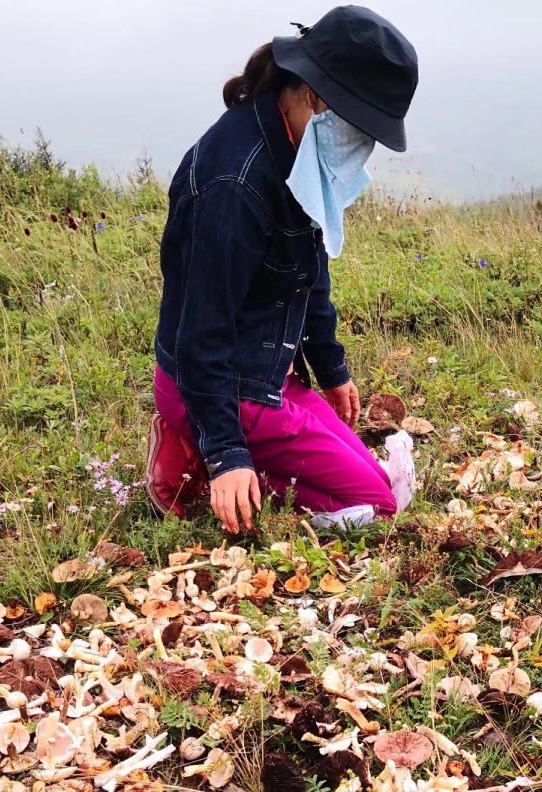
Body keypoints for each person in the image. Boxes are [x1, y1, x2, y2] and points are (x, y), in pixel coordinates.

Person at [147, 5, 420, 535]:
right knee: (376, 506)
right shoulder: (235, 185)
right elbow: (202, 333)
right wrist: (228, 456)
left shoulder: (297, 150)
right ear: (317, 98)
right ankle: (196, 453)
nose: (361, 145)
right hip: (219, 384)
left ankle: (206, 446)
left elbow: (309, 270)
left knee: (375, 486)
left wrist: (332, 368)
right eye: (360, 126)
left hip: (268, 373)